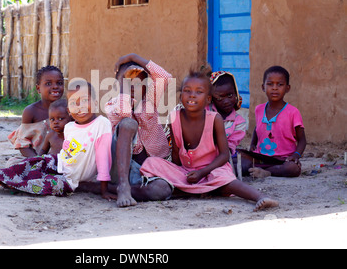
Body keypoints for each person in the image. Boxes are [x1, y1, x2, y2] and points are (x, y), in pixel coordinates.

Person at [140, 66, 279, 212]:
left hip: (213, 168)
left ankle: (260, 196)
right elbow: (176, 154)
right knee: (151, 163)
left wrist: (201, 172)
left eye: (198, 92)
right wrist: (177, 172)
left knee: (223, 177)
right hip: (187, 171)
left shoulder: (214, 119)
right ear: (181, 96)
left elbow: (225, 155)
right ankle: (202, 189)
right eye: (187, 91)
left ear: (207, 99)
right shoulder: (174, 118)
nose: (192, 95)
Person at [104, 53, 173, 207]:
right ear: (118, 85)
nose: (132, 87)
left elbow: (165, 77)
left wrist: (133, 57)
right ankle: (122, 186)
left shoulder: (150, 101)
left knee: (162, 190)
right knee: (128, 123)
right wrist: (124, 88)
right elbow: (125, 112)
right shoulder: (112, 105)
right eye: (127, 82)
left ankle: (111, 189)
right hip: (123, 170)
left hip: (149, 171)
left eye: (137, 82)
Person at [242, 66, 306, 178]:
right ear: (263, 87)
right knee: (237, 157)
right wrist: (253, 144)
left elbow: (302, 140)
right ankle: (260, 169)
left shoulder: (293, 112)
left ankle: (267, 172)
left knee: (293, 169)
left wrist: (296, 155)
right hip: (261, 157)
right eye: (270, 84)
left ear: (287, 88)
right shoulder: (259, 109)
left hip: (283, 159)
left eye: (280, 84)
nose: (275, 88)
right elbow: (258, 128)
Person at [6, 66, 64, 166]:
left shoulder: (67, 109)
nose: (55, 86)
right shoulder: (31, 111)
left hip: (62, 159)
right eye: (48, 83)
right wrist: (37, 161)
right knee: (13, 164)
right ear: (38, 88)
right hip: (35, 158)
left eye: (59, 83)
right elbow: (23, 144)